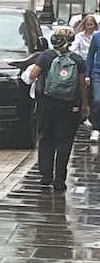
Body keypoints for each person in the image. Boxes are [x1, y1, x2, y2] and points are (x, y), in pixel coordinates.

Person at [28, 28, 90, 192]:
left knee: (46, 137)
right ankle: (60, 179)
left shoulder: (46, 56)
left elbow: (32, 75)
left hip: (46, 103)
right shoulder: (77, 60)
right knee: (64, 141)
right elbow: (82, 85)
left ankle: (46, 175)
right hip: (69, 106)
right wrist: (85, 105)